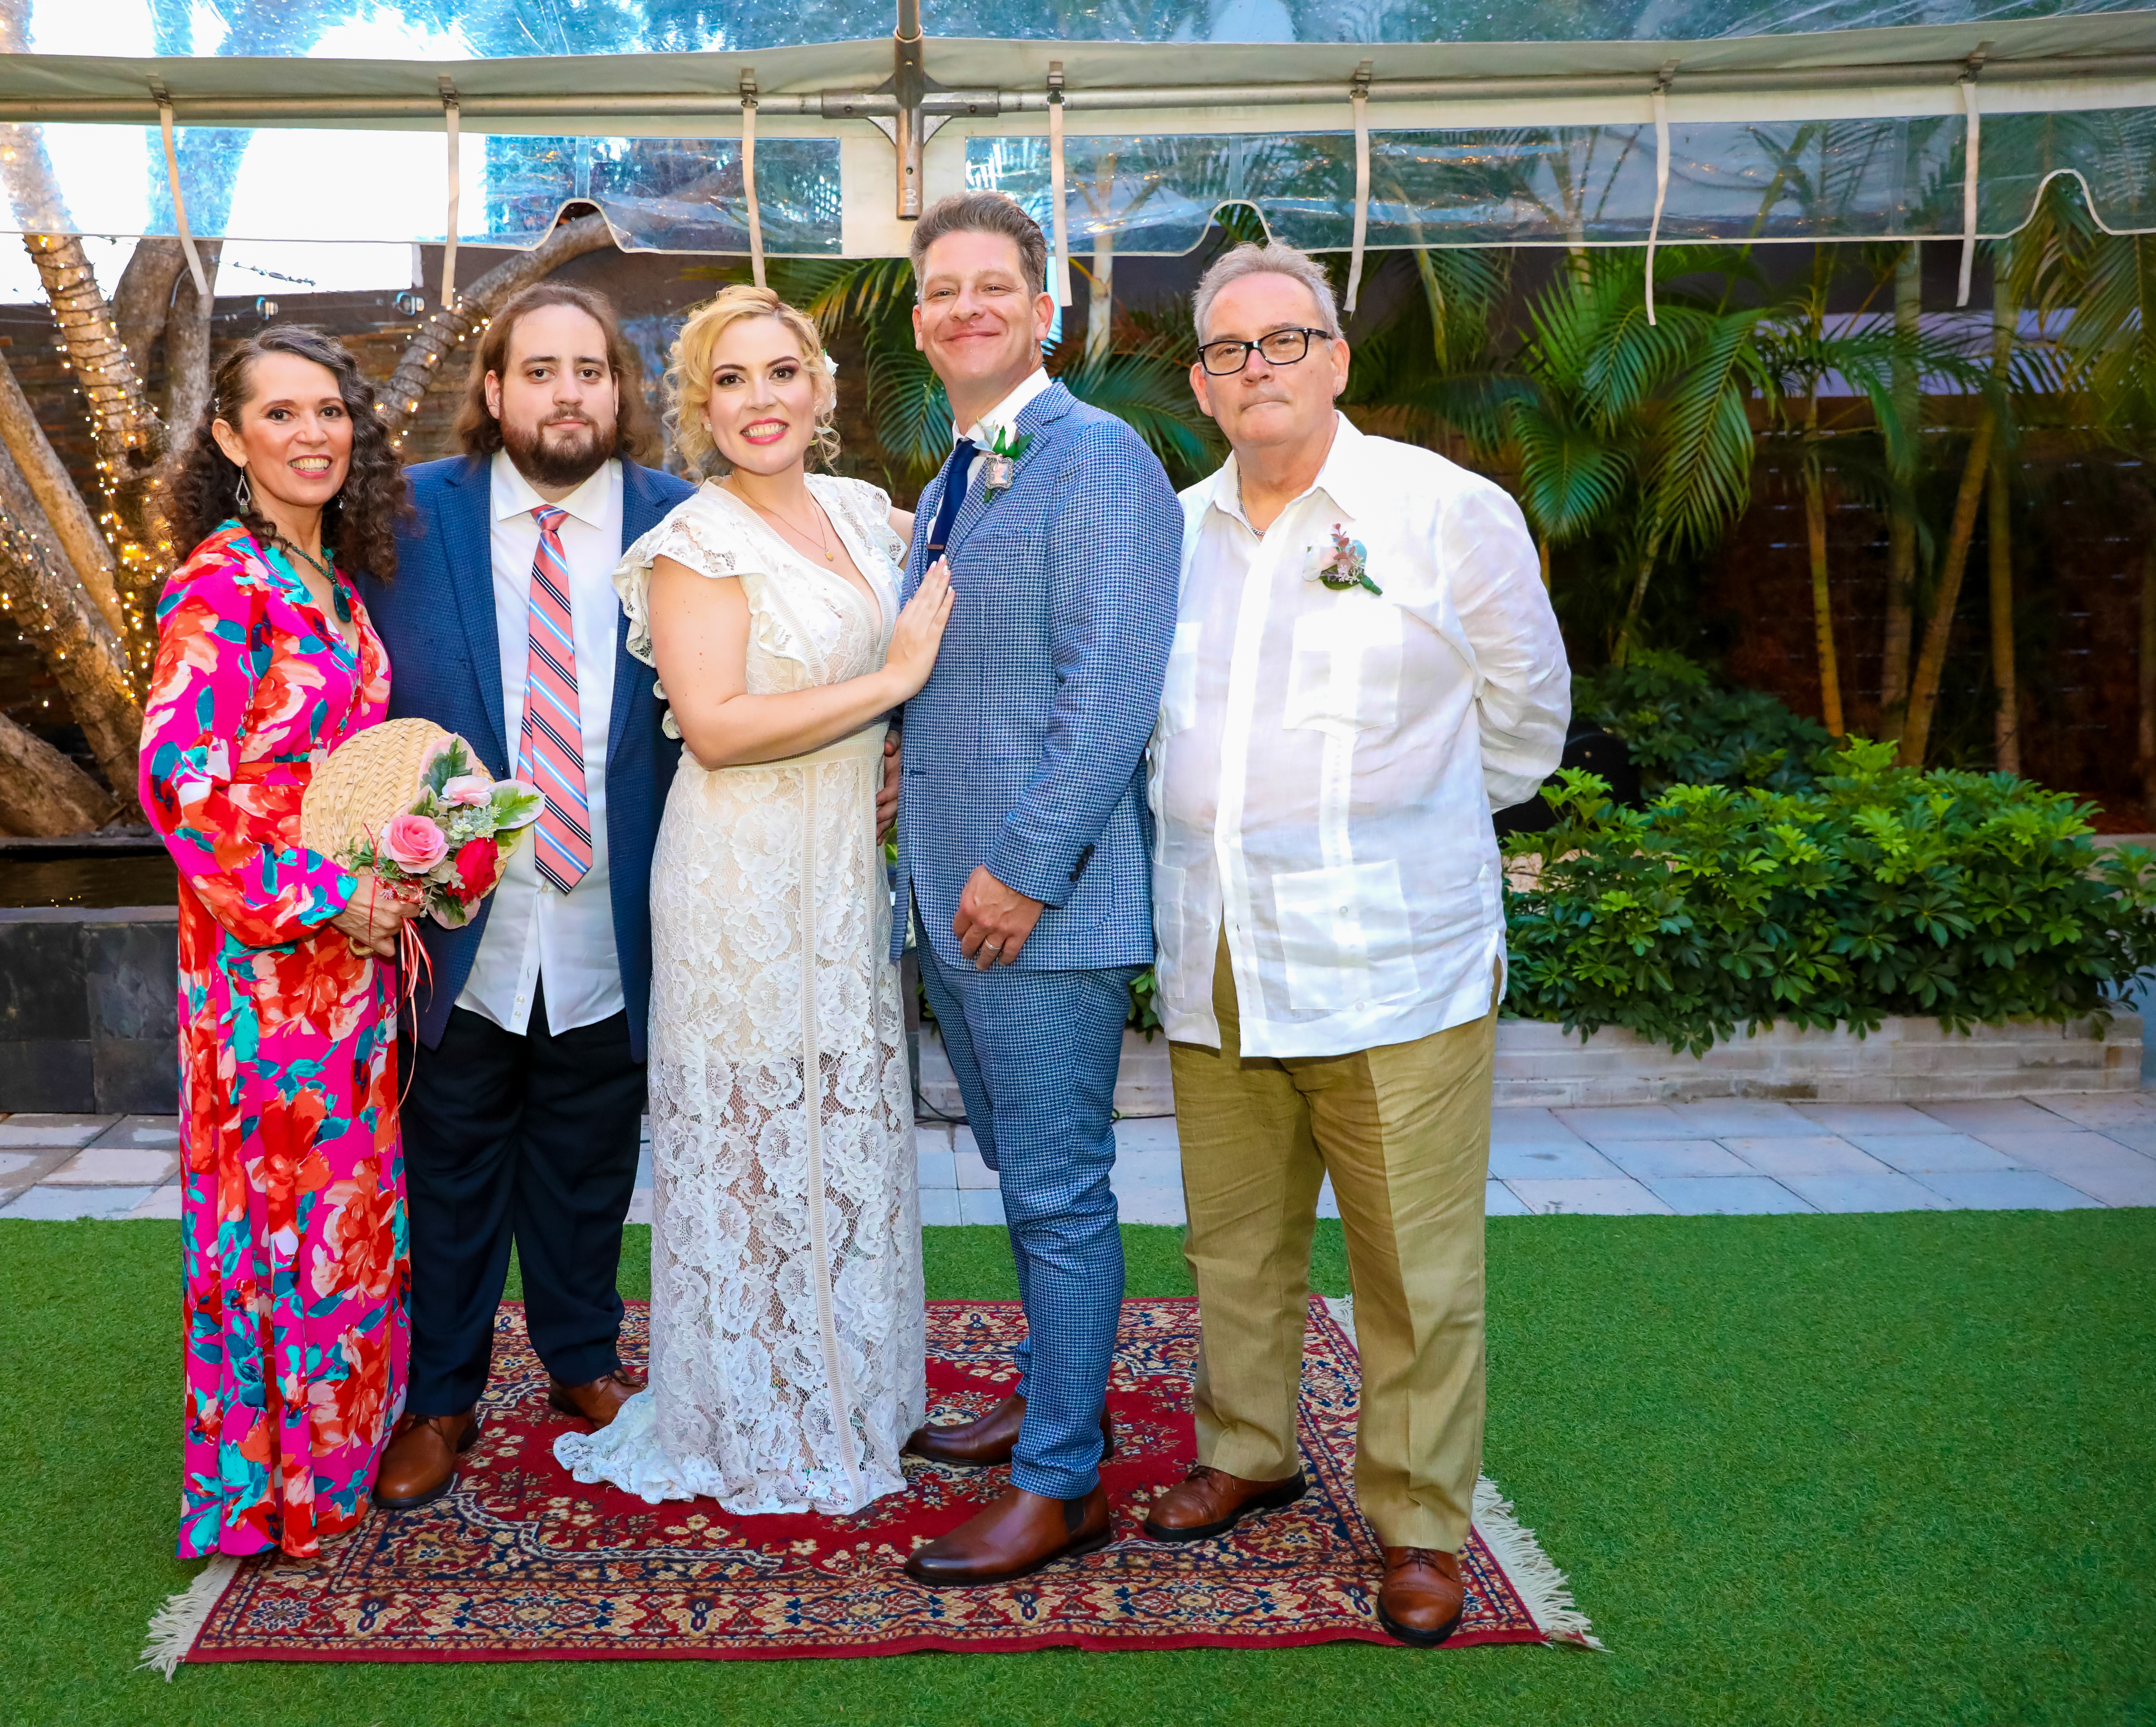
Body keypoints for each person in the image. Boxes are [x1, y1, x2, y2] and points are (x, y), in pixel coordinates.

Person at [1142, 241, 1568, 1646]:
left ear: (1338, 355)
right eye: (1227, 350)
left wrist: (1405, 824)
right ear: (1200, 384)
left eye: (1286, 340)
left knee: (1415, 1268)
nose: (1256, 369)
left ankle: (1421, 1521)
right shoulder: (1179, 527)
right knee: (1235, 1247)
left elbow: (1526, 721)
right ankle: (1251, 1450)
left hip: (1396, 956)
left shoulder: (1445, 511)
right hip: (1217, 948)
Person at [554, 286, 949, 1515]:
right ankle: (756, 1412)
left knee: (841, 1133)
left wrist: (897, 750)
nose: (760, 400)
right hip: (736, 876)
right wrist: (894, 683)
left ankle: (853, 1389)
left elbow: (975, 537)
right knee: (746, 1147)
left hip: (837, 869)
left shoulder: (861, 514)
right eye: (731, 381)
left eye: (783, 374)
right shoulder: (691, 546)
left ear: (823, 392)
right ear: (700, 407)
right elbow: (716, 730)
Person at [353, 283, 697, 1511]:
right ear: (493, 394)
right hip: (456, 922)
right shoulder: (399, 519)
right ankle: (440, 1396)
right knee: (447, 1162)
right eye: (539, 371)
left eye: (591, 371)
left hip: (617, 910)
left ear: (621, 392)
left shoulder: (685, 523)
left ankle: (581, 1359)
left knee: (590, 1153)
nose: (567, 394)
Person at [889, 192, 1183, 1584]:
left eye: (991, 285)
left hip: (1038, 903)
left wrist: (1024, 866)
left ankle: (1064, 1483)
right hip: (952, 894)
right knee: (1020, 1175)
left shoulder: (1099, 458)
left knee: (1061, 1192)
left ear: (1044, 305)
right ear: (919, 317)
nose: (965, 309)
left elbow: (1110, 689)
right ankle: (1049, 1398)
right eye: (940, 290)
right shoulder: (954, 475)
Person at [141, 324, 419, 1560]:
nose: (313, 434)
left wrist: (409, 862)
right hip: (263, 979)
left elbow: (347, 775)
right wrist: (327, 890)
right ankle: (272, 1486)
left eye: (330, 411)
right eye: (281, 413)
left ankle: (337, 1461)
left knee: (344, 1208)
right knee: (283, 1214)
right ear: (227, 436)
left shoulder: (333, 584)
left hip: (348, 976)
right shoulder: (220, 581)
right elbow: (181, 783)